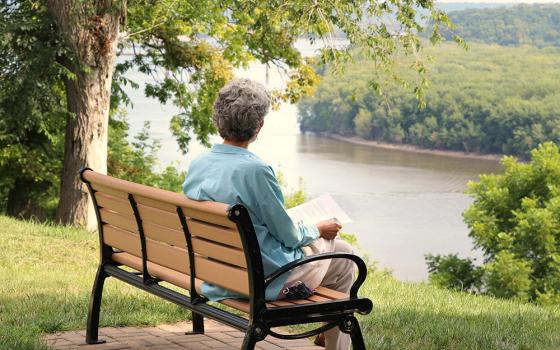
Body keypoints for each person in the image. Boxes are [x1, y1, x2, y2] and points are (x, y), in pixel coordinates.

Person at [183, 78, 355, 350]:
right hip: (266, 280)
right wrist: (318, 230)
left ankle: (329, 328)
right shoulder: (256, 170)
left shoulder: (199, 163)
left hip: (220, 272)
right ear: (259, 126)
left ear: (218, 120)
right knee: (347, 259)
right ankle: (335, 334)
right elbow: (287, 235)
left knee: (343, 251)